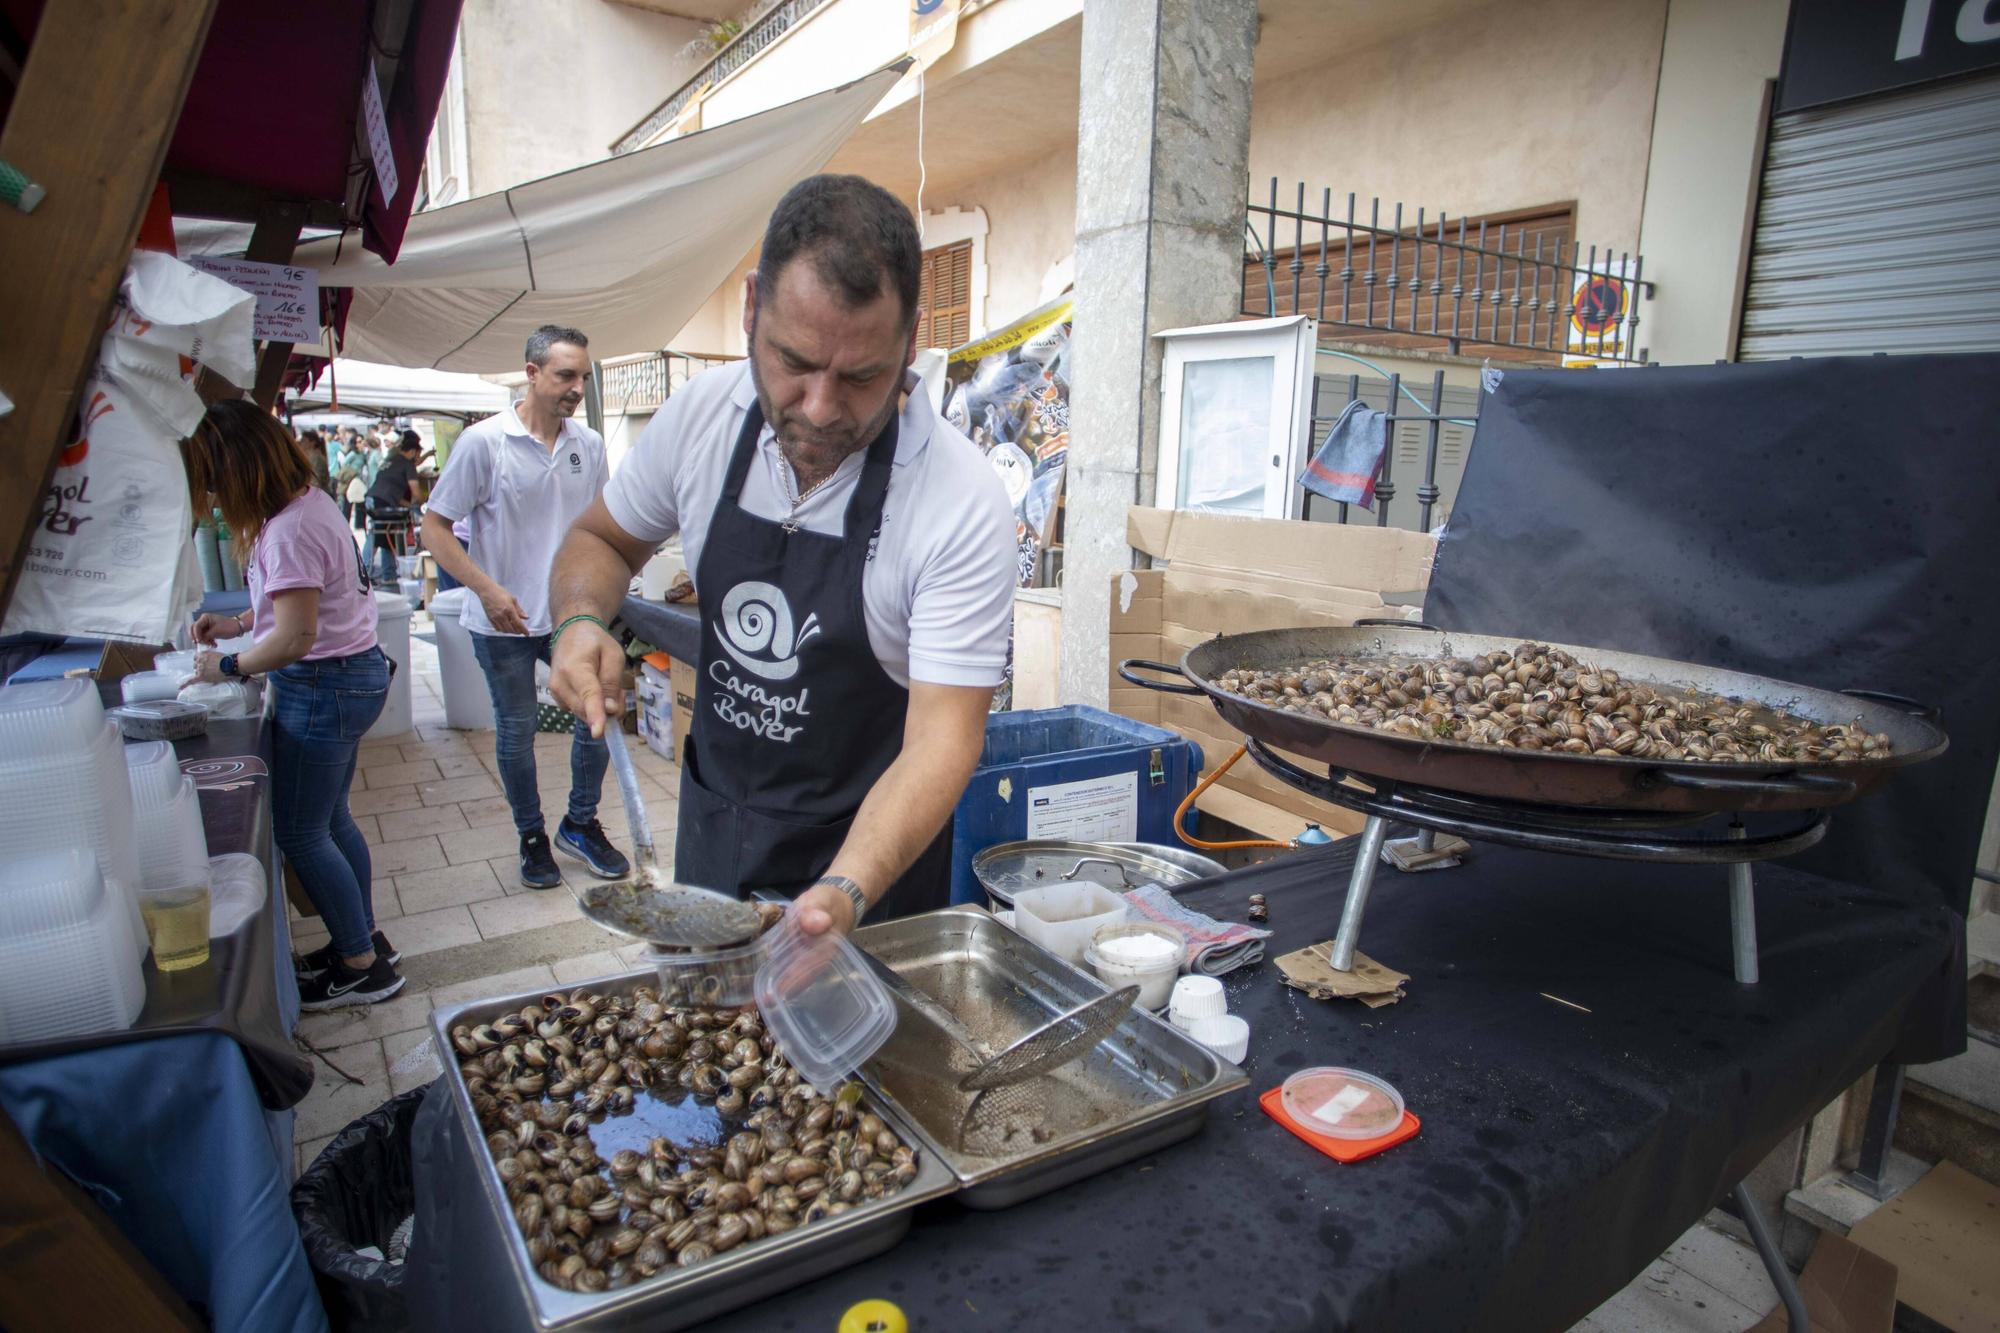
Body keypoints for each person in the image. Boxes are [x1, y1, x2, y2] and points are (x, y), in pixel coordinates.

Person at [547, 175, 1015, 939]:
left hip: (871, 872)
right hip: (716, 828)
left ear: (912, 339)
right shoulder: (701, 418)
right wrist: (576, 619)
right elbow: (600, 539)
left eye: (861, 375)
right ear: (751, 308)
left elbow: (944, 737)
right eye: (793, 361)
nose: (821, 408)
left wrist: (842, 893)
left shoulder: (957, 498)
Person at [181, 401, 403, 1008]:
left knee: (302, 831)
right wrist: (238, 623)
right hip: (349, 678)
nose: (215, 500)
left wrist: (224, 665)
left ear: (238, 472)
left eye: (213, 484)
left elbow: (295, 636)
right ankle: (367, 942)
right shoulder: (309, 502)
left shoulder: (287, 530)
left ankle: (361, 964)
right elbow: (295, 602)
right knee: (331, 820)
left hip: (325, 685)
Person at [422, 326, 630, 890]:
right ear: (532, 373)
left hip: (570, 616)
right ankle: (532, 837)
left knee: (599, 717)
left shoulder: (588, 445)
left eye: (583, 376)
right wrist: (485, 590)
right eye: (566, 375)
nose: (577, 388)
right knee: (516, 733)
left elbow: (600, 530)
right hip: (503, 620)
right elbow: (434, 528)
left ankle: (580, 825)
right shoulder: (484, 443)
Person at [364, 430, 422, 586]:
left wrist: (408, 505)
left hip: (371, 497)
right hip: (382, 502)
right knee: (380, 535)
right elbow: (416, 493)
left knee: (382, 535)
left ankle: (387, 574)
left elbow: (394, 493)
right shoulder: (407, 464)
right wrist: (420, 503)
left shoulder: (392, 459)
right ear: (413, 451)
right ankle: (365, 571)